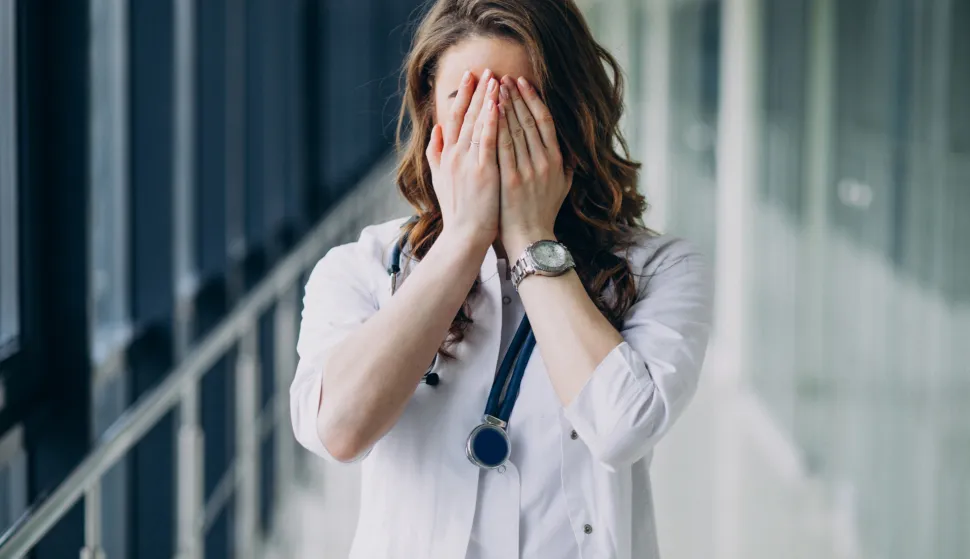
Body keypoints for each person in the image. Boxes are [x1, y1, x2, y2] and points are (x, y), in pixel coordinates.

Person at [290, 0, 713, 557]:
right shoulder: (359, 268)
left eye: (517, 106)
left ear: (571, 114)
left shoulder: (663, 270)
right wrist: (463, 238)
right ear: (429, 117)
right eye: (466, 106)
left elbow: (621, 428)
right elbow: (337, 432)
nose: (491, 132)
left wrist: (533, 239)